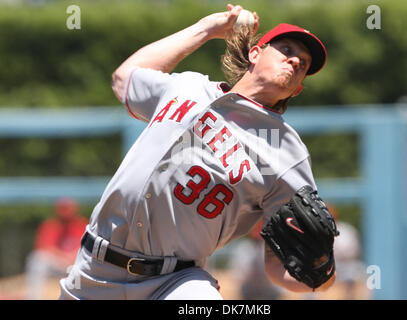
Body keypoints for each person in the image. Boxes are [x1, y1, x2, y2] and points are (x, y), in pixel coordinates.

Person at [59, 4, 334, 300]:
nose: (294, 60)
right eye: (286, 49)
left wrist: (325, 273)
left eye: (303, 64)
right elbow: (124, 78)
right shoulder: (189, 87)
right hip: (92, 271)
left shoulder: (282, 149)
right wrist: (206, 29)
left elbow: (278, 263)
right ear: (255, 53)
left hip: (176, 282)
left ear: (296, 90)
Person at [26, 197, 87, 299]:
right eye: (64, 208)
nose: (66, 212)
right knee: (37, 260)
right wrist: (64, 256)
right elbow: (44, 248)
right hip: (58, 264)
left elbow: (88, 249)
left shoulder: (83, 225)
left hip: (76, 265)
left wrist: (72, 257)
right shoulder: (50, 225)